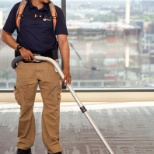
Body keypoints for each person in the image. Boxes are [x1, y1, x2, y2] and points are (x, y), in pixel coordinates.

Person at [1, 0, 71, 154]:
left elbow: (63, 41)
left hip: (49, 64)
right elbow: (4, 35)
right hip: (25, 65)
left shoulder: (55, 11)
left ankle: (53, 148)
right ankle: (24, 146)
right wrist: (20, 48)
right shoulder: (19, 9)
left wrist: (66, 68)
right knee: (25, 107)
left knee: (52, 108)